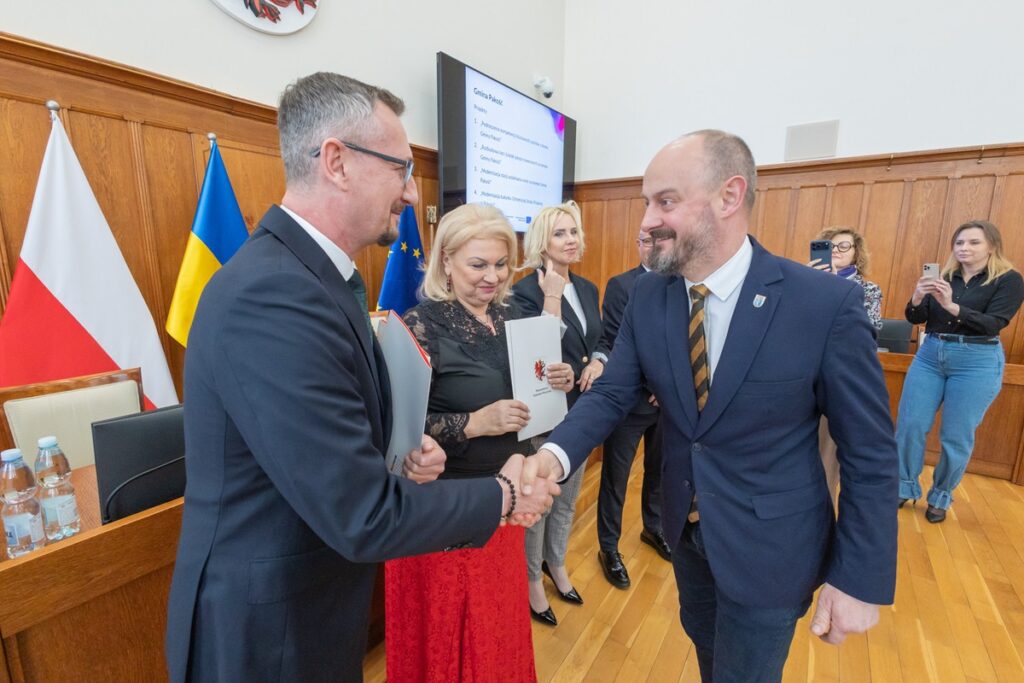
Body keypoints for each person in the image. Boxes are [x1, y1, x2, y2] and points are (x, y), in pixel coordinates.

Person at [164, 74, 557, 683]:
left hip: (311, 608)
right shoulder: (274, 294)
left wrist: (401, 457)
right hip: (267, 634)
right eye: (400, 167)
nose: (409, 192)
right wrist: (505, 497)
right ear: (337, 162)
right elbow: (360, 514)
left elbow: (326, 444)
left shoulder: (317, 278)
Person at [520, 129, 898, 683]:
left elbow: (869, 452)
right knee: (709, 658)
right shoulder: (649, 296)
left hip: (772, 551)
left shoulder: (822, 304)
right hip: (689, 538)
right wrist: (551, 459)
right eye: (647, 201)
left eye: (665, 201)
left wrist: (859, 578)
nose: (647, 220)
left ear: (729, 196)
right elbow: (612, 394)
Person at [384, 203, 574, 681]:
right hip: (444, 512)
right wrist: (474, 422)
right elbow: (397, 431)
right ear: (445, 261)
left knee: (495, 635)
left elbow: (538, 401)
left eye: (500, 264)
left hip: (505, 505)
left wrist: (559, 380)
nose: (492, 277)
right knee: (449, 638)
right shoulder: (419, 326)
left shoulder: (516, 317)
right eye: (478, 264)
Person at [512, 200, 604, 625]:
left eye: (574, 232)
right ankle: (532, 580)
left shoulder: (586, 288)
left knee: (567, 501)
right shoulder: (524, 291)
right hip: (542, 417)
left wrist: (597, 360)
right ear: (541, 244)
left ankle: (557, 564)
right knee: (539, 506)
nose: (571, 240)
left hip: (580, 413)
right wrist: (551, 296)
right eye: (560, 234)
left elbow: (598, 340)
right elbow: (536, 355)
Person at [896, 220, 1024, 523]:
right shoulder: (945, 277)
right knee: (910, 425)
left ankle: (941, 495)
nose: (964, 248)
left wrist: (951, 306)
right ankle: (903, 485)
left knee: (955, 435)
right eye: (960, 243)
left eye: (973, 242)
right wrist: (917, 296)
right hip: (930, 354)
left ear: (992, 246)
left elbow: (994, 323)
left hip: (976, 360)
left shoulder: (1008, 280)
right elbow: (916, 317)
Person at [594, 228, 670, 591]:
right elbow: (619, 344)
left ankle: (652, 529)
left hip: (666, 405)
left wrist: (666, 388)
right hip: (631, 402)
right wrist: (654, 384)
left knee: (658, 472)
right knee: (615, 479)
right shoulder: (621, 286)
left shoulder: (679, 282)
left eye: (659, 240)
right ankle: (608, 547)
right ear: (637, 244)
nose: (653, 246)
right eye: (645, 240)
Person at [807, 226, 883, 504]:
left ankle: (822, 507)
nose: (836, 251)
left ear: (856, 254)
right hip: (803, 370)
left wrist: (835, 289)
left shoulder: (868, 289)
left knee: (827, 450)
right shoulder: (804, 282)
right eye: (830, 246)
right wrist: (810, 285)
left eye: (843, 246)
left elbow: (868, 332)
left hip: (840, 375)